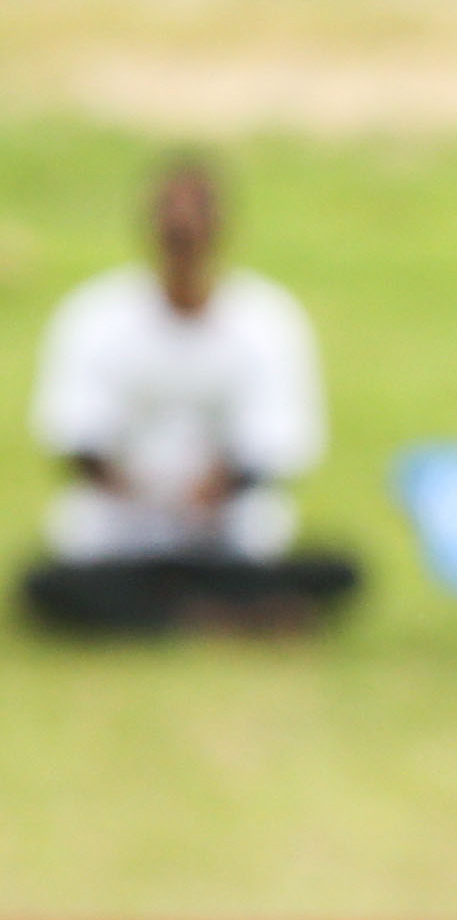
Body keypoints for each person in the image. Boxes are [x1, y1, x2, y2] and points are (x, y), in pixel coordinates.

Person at [23, 150, 357, 634]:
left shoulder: (267, 320)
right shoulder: (94, 316)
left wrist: (215, 492)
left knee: (341, 569)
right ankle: (230, 616)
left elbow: (283, 441)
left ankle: (169, 616)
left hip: (230, 541)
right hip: (120, 541)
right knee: (44, 586)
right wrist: (135, 493)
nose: (182, 234)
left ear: (222, 227)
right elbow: (73, 434)